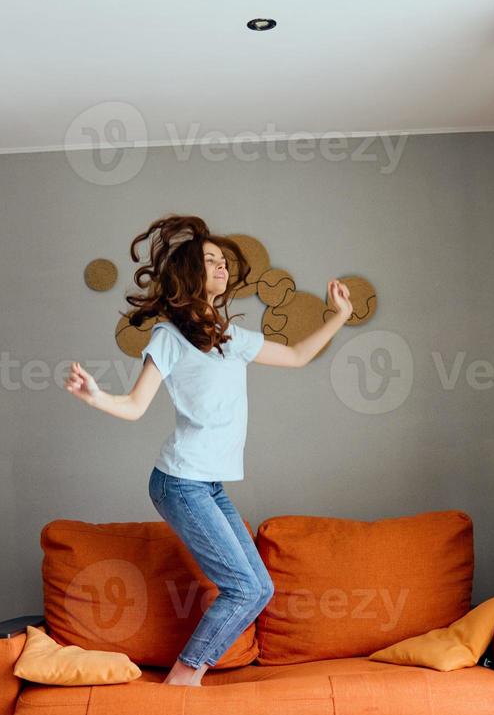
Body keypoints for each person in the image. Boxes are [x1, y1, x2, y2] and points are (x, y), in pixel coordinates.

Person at [63, 214, 352, 686]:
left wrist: (339, 315)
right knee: (242, 587)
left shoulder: (230, 337)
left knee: (258, 587)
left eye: (222, 260)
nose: (221, 267)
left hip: (207, 483)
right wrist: (95, 395)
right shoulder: (169, 337)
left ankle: (187, 673)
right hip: (179, 482)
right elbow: (136, 406)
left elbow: (298, 356)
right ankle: (185, 675)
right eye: (210, 261)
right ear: (189, 275)